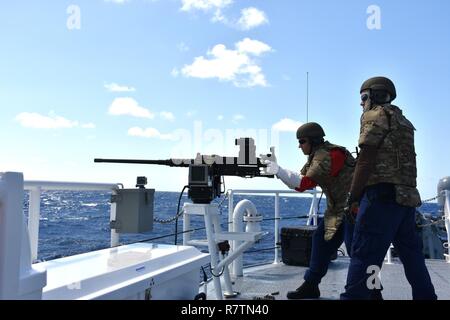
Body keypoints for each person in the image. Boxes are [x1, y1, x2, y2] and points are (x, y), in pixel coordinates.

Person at [340, 76, 437, 300]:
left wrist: (352, 198)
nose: (361, 103)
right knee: (413, 257)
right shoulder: (403, 121)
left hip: (381, 197)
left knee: (365, 255)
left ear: (373, 95)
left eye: (363, 97)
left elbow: (365, 159)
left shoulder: (374, 116)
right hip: (405, 199)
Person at [261, 122, 356, 299]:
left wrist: (278, 170)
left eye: (302, 141)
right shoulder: (317, 155)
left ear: (313, 140)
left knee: (357, 252)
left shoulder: (329, 155)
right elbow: (301, 184)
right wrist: (278, 170)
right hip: (338, 210)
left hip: (354, 209)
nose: (299, 146)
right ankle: (311, 285)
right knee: (321, 241)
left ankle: (372, 292)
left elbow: (304, 183)